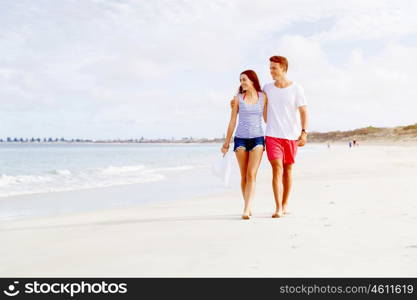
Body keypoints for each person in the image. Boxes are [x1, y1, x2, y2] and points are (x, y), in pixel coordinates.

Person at [232, 56, 308, 218]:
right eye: (270, 68)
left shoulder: (297, 89)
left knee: (287, 171)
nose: (271, 71)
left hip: (291, 136)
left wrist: (303, 132)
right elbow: (251, 95)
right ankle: (278, 207)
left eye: (274, 68)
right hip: (272, 135)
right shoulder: (267, 88)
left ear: (283, 68)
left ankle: (285, 203)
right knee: (277, 169)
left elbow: (303, 112)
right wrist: (235, 101)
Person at [221, 70, 267, 220]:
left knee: (251, 174)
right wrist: (226, 143)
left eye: (244, 79)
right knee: (244, 175)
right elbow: (233, 121)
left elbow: (267, 118)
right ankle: (248, 204)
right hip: (240, 138)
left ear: (253, 80)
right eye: (240, 80)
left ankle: (246, 209)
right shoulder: (238, 99)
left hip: (258, 139)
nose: (242, 83)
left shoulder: (263, 97)